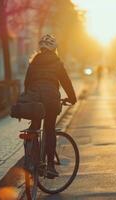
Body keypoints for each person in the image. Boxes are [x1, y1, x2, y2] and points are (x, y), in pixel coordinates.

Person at [24, 34, 77, 178]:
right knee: (49, 129)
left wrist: (27, 98)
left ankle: (32, 161)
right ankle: (50, 167)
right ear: (54, 49)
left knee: (34, 128)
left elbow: (27, 83)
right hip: (51, 100)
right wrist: (72, 98)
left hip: (34, 99)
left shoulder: (33, 62)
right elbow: (66, 82)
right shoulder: (57, 62)